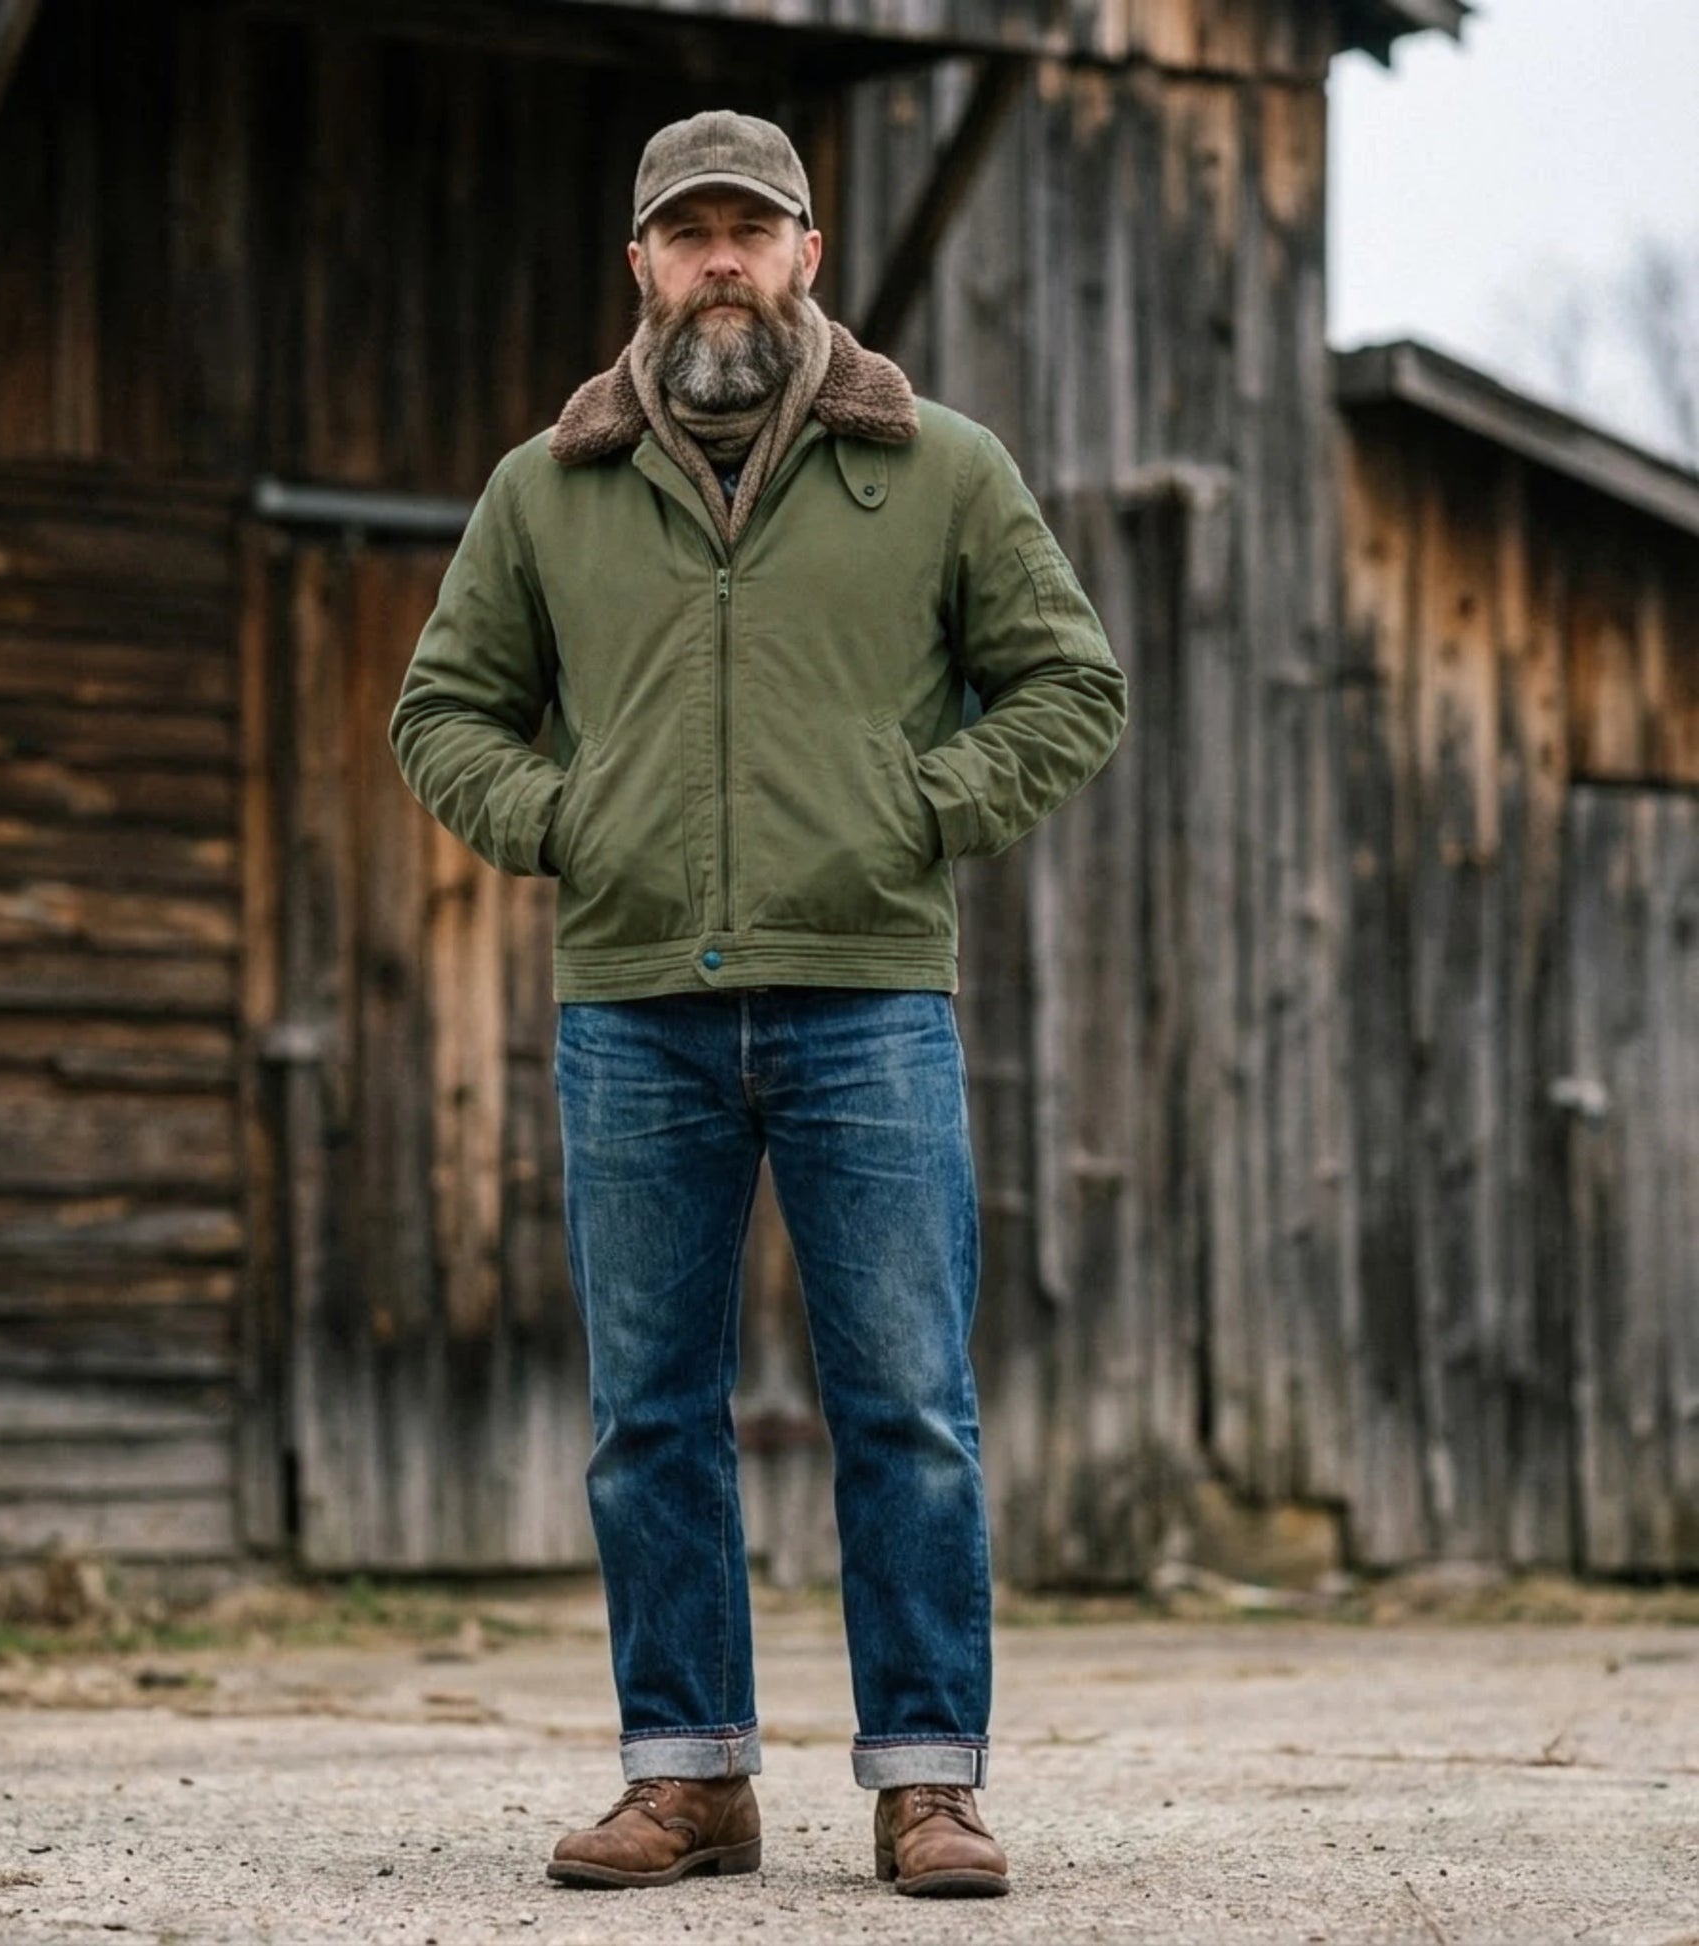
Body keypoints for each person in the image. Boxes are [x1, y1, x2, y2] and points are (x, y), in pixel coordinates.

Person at [389, 108, 1127, 1898]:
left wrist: (912, 811)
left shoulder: (939, 468)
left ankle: (928, 1784)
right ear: (637, 263)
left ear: (810, 251)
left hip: (866, 999)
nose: (721, 257)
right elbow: (442, 713)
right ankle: (689, 1777)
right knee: (651, 1411)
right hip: (633, 1005)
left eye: (754, 226)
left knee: (909, 1405)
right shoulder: (540, 488)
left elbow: (1066, 684)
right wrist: (570, 822)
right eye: (686, 230)